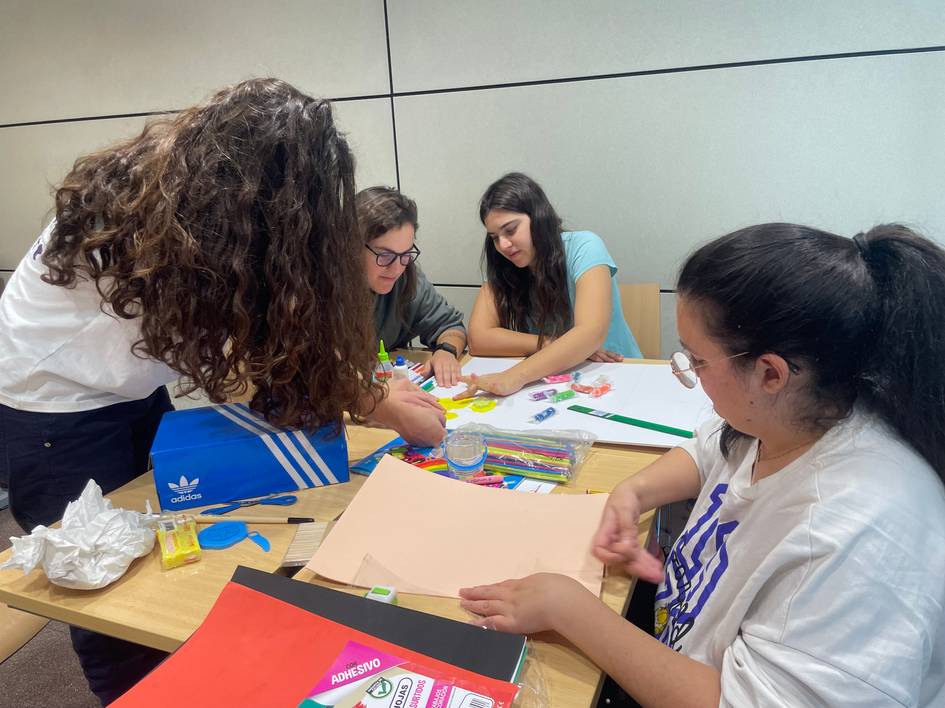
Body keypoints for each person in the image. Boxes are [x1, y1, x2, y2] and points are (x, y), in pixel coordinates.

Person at [0, 78, 444, 704]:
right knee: (104, 590)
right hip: (50, 404)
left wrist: (372, 392)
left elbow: (285, 329)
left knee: (162, 548)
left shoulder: (200, 196)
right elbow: (269, 349)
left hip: (125, 382)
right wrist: (383, 405)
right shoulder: (180, 220)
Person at [459, 223, 945, 706]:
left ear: (770, 373)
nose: (689, 375)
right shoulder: (793, 412)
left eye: (696, 362)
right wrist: (634, 492)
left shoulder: (856, 535)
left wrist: (570, 610)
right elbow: (711, 446)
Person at [457, 172, 642, 399]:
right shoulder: (504, 265)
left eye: (511, 230)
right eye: (494, 237)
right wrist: (547, 342)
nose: (503, 245)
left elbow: (590, 334)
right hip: (549, 381)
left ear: (538, 217)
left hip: (613, 376)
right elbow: (479, 338)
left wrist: (512, 377)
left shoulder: (585, 246)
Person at [357, 186, 467, 386]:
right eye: (386, 255)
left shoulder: (408, 277)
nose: (397, 268)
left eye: (406, 254)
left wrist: (446, 352)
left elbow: (451, 327)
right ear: (352, 247)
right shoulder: (321, 290)